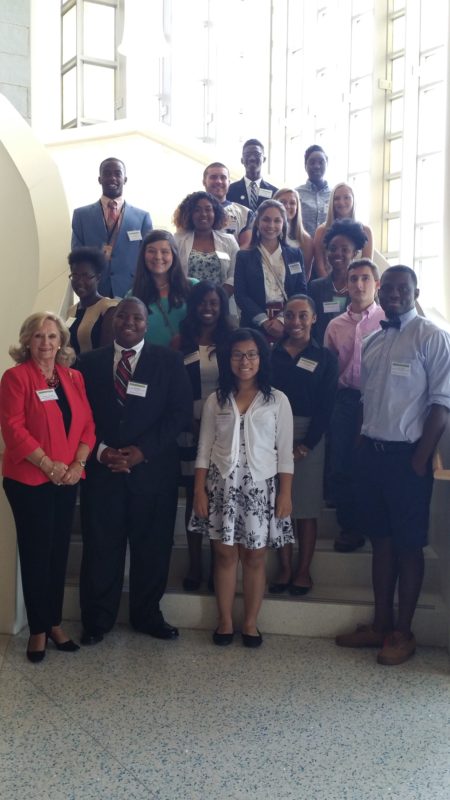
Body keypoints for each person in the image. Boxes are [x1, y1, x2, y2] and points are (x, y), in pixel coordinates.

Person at [336, 266, 450, 666]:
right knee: (381, 542)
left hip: (408, 459)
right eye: (391, 288)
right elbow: (370, 401)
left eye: (405, 288)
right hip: (372, 455)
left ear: (417, 292)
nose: (396, 294)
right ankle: (380, 625)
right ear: (381, 293)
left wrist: (420, 461)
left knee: (408, 545)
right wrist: (361, 447)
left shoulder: (432, 337)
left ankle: (404, 631)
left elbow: (442, 404)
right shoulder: (373, 341)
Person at [77, 297, 193, 645]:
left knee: (152, 549)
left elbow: (179, 413)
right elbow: (78, 416)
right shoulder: (87, 363)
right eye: (122, 316)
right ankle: (97, 620)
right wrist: (100, 452)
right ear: (113, 322)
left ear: (147, 323)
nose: (129, 322)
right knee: (101, 548)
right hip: (102, 472)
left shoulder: (169, 362)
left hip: (153, 473)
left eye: (137, 317)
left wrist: (142, 452)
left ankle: (147, 616)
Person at [0, 312, 95, 662]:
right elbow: (13, 429)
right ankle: (38, 630)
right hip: (30, 481)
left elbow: (87, 425)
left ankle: (54, 622)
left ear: (62, 342)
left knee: (58, 553)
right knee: (37, 554)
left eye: (52, 337)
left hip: (68, 478)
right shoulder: (15, 378)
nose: (46, 343)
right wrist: (47, 464)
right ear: (27, 341)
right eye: (38, 336)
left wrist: (78, 464)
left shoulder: (73, 378)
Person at [190, 328, 294, 647]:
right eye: (237, 355)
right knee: (223, 556)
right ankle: (224, 621)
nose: (245, 361)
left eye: (251, 354)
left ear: (261, 358)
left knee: (255, 557)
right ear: (228, 359)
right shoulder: (216, 400)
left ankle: (249, 622)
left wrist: (286, 493)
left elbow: (285, 451)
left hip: (260, 488)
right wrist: (198, 491)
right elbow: (204, 447)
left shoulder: (277, 400)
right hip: (222, 486)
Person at [270, 296, 338, 594]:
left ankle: (303, 570)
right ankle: (284, 568)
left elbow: (327, 406)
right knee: (279, 506)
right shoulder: (270, 353)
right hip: (272, 434)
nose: (295, 321)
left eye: (302, 316)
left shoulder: (325, 357)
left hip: (311, 434)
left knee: (306, 507)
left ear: (313, 319)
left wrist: (307, 445)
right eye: (290, 315)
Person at [174, 281, 236, 592]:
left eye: (214, 303)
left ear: (222, 306)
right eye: (202, 303)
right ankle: (195, 564)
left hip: (225, 428)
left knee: (220, 498)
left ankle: (217, 565)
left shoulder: (231, 341)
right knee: (194, 498)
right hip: (189, 427)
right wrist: (190, 421)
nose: (208, 309)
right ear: (193, 306)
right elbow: (173, 387)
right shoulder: (180, 341)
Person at [324, 259, 385, 553]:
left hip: (379, 401)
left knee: (372, 464)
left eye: (365, 278)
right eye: (353, 279)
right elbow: (330, 369)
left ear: (376, 284)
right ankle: (349, 526)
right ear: (346, 285)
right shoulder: (335, 326)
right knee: (341, 464)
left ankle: (374, 523)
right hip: (346, 401)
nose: (359, 285)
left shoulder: (388, 319)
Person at [71, 157, 153, 298]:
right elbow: (77, 256)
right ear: (99, 179)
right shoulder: (81, 215)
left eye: (117, 173)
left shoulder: (142, 218)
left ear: (125, 179)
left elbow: (147, 258)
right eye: (107, 173)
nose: (112, 178)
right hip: (93, 292)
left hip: (130, 291)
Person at [234, 199, 307, 342]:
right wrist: (264, 322)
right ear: (257, 222)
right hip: (254, 324)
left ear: (284, 224)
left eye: (277, 221)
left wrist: (281, 320)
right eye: (266, 220)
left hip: (289, 322)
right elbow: (241, 295)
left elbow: (301, 290)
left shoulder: (295, 254)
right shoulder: (244, 256)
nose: (271, 225)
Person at [131, 230, 196, 347]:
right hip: (152, 361)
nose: (158, 257)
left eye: (165, 251)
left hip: (190, 359)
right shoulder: (133, 295)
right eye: (151, 251)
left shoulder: (192, 287)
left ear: (173, 255)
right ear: (143, 255)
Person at [309, 219, 368, 345]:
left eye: (344, 250)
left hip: (355, 352)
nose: (337, 253)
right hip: (323, 352)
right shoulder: (316, 287)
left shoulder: (363, 288)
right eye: (333, 249)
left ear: (354, 253)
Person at [173, 191, 238, 297]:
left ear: (215, 213)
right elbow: (173, 275)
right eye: (197, 210)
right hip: (187, 302)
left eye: (208, 209)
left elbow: (235, 275)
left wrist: (219, 300)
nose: (203, 214)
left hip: (222, 305)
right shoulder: (178, 240)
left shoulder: (229, 241)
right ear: (189, 214)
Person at [313, 182, 373, 278]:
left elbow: (367, 266)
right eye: (337, 198)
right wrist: (331, 286)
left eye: (346, 197)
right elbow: (319, 266)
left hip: (356, 286)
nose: (341, 202)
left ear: (353, 200)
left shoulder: (366, 230)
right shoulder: (321, 231)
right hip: (327, 286)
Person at [66, 246, 118, 354]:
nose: (80, 281)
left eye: (86, 276)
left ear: (98, 278)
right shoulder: (71, 310)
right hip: (71, 369)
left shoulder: (109, 308)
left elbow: (107, 353)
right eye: (75, 275)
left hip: (97, 369)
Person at [202, 162, 253, 247]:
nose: (218, 181)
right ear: (204, 182)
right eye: (213, 177)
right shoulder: (191, 210)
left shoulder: (245, 213)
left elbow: (246, 245)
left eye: (223, 177)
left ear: (229, 183)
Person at [274, 187, 314, 281]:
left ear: (297, 207)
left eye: (292, 203)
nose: (287, 206)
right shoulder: (265, 234)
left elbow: (305, 276)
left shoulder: (306, 240)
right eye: (282, 202)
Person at [227, 139, 278, 211]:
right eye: (247, 154)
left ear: (264, 159)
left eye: (257, 154)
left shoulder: (275, 193)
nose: (252, 158)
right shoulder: (230, 190)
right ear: (242, 160)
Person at [295, 145, 331, 238]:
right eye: (312, 162)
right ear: (305, 166)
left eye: (321, 162)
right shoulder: (296, 194)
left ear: (327, 164)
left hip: (330, 250)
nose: (317, 166)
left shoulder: (335, 195)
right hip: (302, 249)